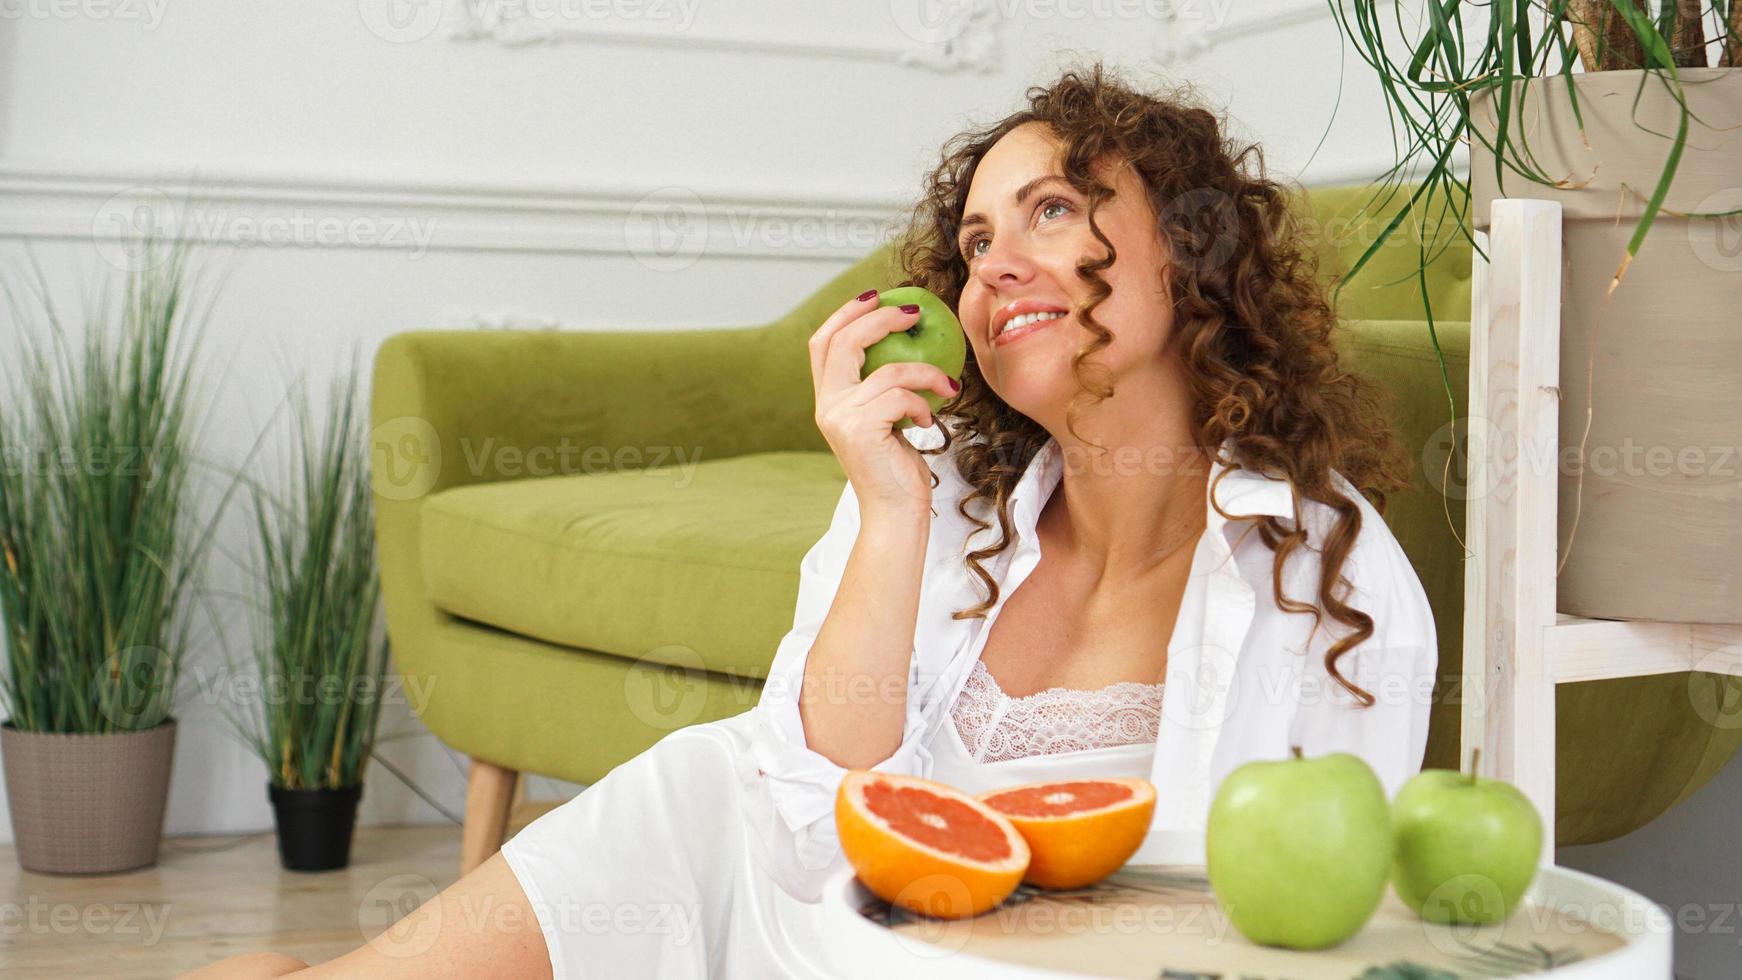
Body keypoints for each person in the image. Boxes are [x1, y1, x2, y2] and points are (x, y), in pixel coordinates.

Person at [186, 60, 1437, 980]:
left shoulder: (1324, 581)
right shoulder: (942, 492)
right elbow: (804, 792)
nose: (993, 262)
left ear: (1186, 242)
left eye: (1051, 210)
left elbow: (1310, 920)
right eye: (975, 238)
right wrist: (887, 507)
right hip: (802, 907)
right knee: (700, 782)